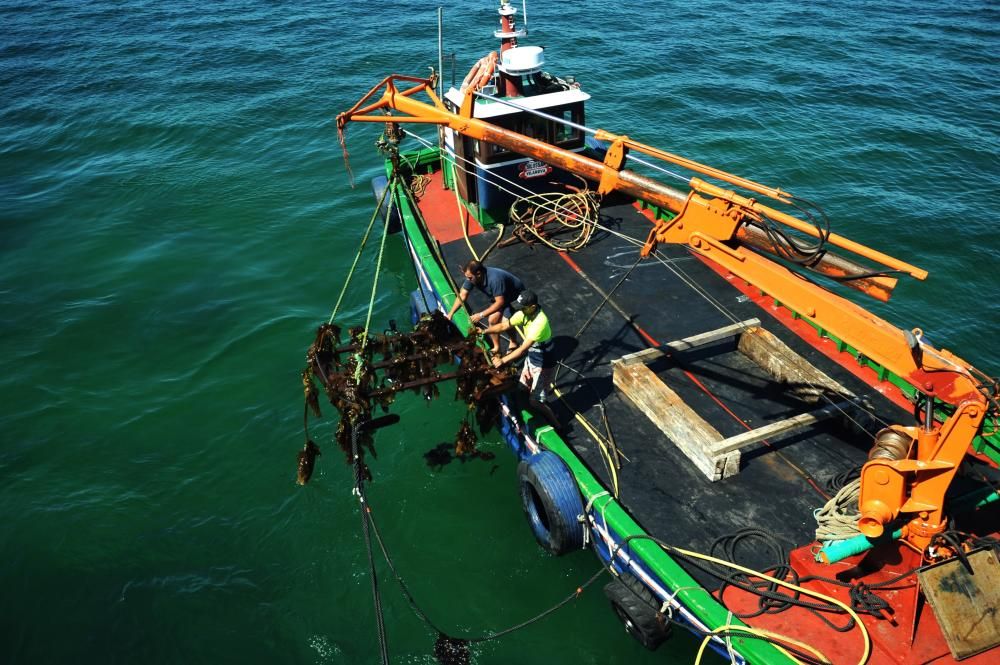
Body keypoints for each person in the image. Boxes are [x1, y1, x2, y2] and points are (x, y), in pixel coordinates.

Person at [481, 290, 558, 425]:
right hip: (533, 358)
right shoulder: (524, 313)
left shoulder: (540, 323)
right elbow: (505, 325)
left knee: (535, 401)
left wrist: (502, 360)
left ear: (533, 307)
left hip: (544, 365)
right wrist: (484, 330)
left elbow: (522, 349)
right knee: (522, 387)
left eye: (523, 307)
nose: (520, 310)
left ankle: (556, 423)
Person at [446, 260, 524, 355]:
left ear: (478, 274)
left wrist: (481, 315)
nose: (468, 280)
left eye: (470, 278)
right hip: (499, 296)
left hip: (513, 297)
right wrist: (451, 313)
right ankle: (496, 348)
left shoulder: (495, 279)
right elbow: (462, 294)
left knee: (505, 321)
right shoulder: (472, 277)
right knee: (492, 320)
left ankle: (514, 342)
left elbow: (500, 302)